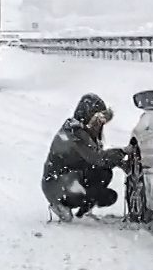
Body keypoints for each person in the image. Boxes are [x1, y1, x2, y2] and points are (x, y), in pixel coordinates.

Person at [42, 93, 130, 222]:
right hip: (57, 184)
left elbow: (98, 160)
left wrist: (122, 163)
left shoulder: (82, 131)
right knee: (106, 195)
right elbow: (98, 158)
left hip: (71, 177)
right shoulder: (74, 134)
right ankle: (61, 205)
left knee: (104, 173)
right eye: (98, 120)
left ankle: (85, 204)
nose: (100, 125)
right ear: (87, 116)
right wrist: (123, 152)